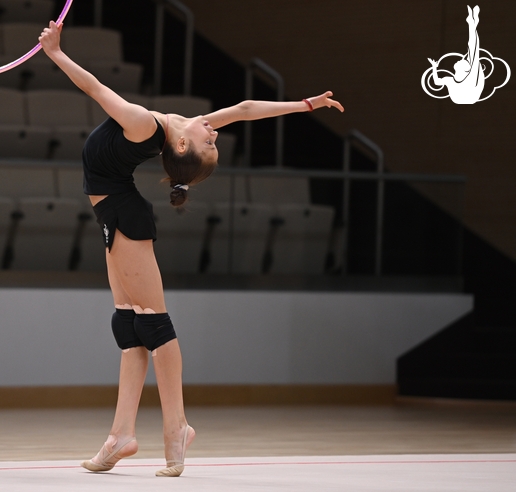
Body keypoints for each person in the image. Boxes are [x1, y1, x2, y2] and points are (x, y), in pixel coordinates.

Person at [38, 21, 344, 477]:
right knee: (129, 322)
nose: (213, 133)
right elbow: (243, 109)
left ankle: (176, 428)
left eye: (209, 143)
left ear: (181, 145)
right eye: (213, 141)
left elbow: (97, 88)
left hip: (124, 214)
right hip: (113, 214)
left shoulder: (144, 125)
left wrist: (55, 53)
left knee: (154, 324)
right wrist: (305, 105)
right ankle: (121, 434)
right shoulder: (174, 127)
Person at [428, 5, 484, 104]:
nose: (461, 59)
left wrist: (434, 67)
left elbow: (474, 49)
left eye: (463, 61)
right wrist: (434, 67)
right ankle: (472, 24)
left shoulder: (459, 79)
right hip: (467, 96)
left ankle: (472, 24)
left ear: (465, 69)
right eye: (464, 61)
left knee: (473, 51)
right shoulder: (454, 79)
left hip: (468, 96)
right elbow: (437, 82)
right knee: (473, 52)